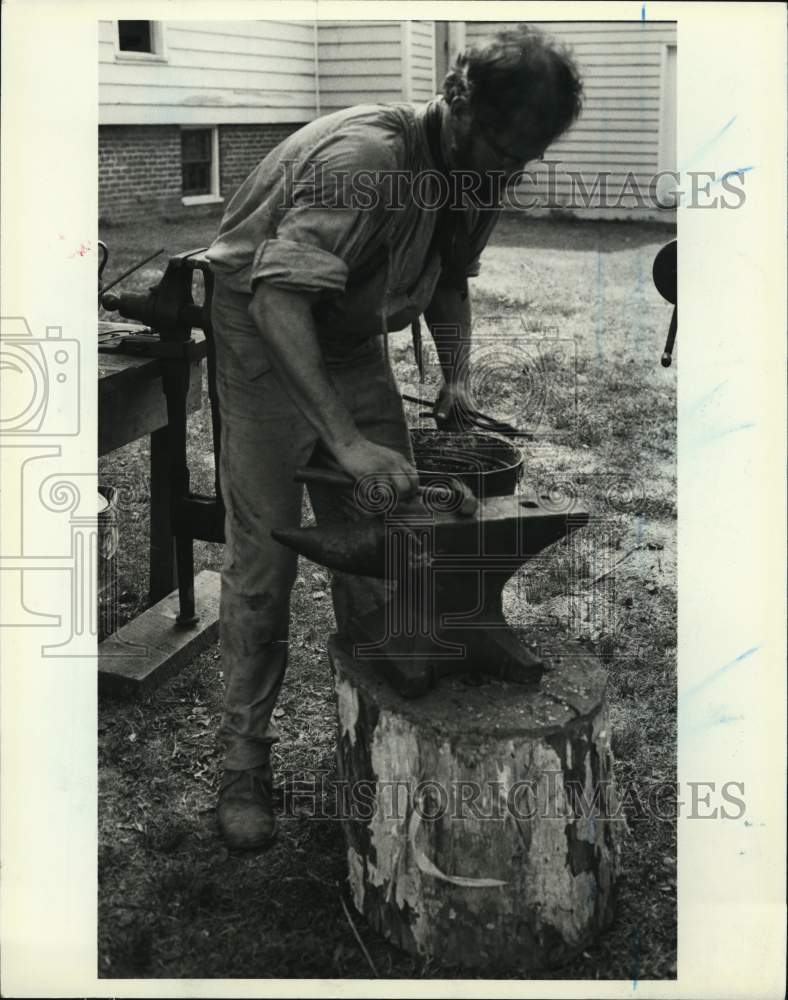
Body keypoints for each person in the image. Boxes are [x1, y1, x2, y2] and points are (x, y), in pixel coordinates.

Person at [205, 25, 583, 850]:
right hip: (262, 326)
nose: (505, 171)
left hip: (346, 332)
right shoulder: (368, 160)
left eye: (525, 157)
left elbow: (448, 277)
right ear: (454, 100)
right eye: (499, 146)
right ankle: (243, 763)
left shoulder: (483, 168)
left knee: (399, 534)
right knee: (264, 559)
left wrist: (457, 373)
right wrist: (342, 442)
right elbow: (276, 301)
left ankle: (372, 736)